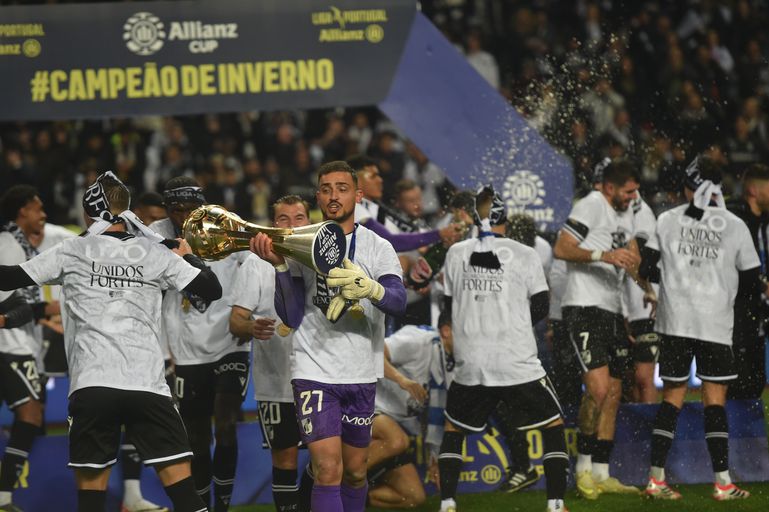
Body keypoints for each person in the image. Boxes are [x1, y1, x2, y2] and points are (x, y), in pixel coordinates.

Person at [0, 172, 221, 512]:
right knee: (185, 497)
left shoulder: (72, 249)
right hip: (147, 387)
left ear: (89, 212)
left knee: (91, 500)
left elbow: (8, 278)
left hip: (93, 386)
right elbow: (211, 290)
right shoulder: (154, 252)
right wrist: (187, 255)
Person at [249, 160, 406, 512]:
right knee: (328, 468)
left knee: (354, 472)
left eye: (342, 188)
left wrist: (371, 289)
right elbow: (290, 315)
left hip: (361, 373)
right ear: (317, 195)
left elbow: (399, 302)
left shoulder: (377, 247)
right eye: (326, 189)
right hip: (314, 369)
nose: (333, 196)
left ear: (358, 195)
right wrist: (278, 266)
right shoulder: (302, 242)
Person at [437, 186, 569, 512]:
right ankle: (554, 504)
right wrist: (514, 322)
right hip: (515, 360)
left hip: (472, 362)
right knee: (553, 424)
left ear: (473, 217)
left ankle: (447, 503)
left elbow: (449, 308)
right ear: (505, 221)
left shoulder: (456, 253)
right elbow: (541, 305)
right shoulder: (525, 254)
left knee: (454, 429)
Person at [641, 156, 759, 500]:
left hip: (675, 320)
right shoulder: (735, 224)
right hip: (715, 322)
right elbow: (751, 280)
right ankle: (722, 483)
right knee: (714, 399)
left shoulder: (666, 219)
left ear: (685, 189)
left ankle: (655, 480)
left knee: (673, 396)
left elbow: (648, 268)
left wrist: (680, 280)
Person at [553, 159, 651, 499]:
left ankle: (602, 472)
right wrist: (602, 255)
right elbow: (561, 247)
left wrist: (647, 288)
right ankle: (581, 471)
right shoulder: (592, 205)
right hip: (583, 307)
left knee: (612, 391)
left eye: (636, 189)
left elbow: (631, 258)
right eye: (629, 190)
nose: (634, 195)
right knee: (596, 389)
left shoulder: (625, 213)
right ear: (609, 187)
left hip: (611, 310)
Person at [150, 176, 249, 512]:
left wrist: (248, 313)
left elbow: (253, 266)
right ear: (167, 209)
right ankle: (202, 506)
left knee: (225, 426)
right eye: (176, 210)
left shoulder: (225, 225)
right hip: (186, 349)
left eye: (190, 208)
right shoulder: (154, 235)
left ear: (202, 205)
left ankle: (222, 505)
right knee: (196, 439)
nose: (183, 216)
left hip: (231, 342)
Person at [229, 194, 312, 512]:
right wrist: (249, 327)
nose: (291, 226)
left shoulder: (317, 258)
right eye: (283, 220)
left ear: (309, 220)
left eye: (299, 218)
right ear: (272, 224)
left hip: (319, 376)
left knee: (325, 456)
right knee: (285, 456)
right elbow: (235, 319)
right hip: (276, 383)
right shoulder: (255, 262)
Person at [367, 315, 454, 509]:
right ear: (447, 331)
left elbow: (439, 414)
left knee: (413, 497)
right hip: (367, 408)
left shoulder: (455, 364)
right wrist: (402, 380)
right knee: (397, 441)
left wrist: (435, 458)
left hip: (395, 425)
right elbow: (374, 354)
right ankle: (332, 485)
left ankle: (355, 498)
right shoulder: (417, 339)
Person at [347, 156, 464, 253]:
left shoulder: (376, 207)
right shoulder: (355, 208)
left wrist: (443, 237)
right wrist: (439, 234)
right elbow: (390, 242)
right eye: (373, 176)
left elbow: (411, 233)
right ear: (355, 181)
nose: (380, 180)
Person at [727, 163, 769, 399]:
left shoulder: (763, 221)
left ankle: (752, 437)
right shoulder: (734, 220)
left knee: (755, 381)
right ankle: (731, 435)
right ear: (754, 190)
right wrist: (762, 284)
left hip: (757, 311)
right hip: (736, 311)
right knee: (737, 381)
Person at [624, 196, 659, 404]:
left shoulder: (642, 213)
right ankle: (636, 437)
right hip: (623, 307)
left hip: (645, 307)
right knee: (628, 380)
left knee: (643, 377)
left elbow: (637, 255)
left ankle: (651, 433)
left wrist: (647, 288)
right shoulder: (609, 213)